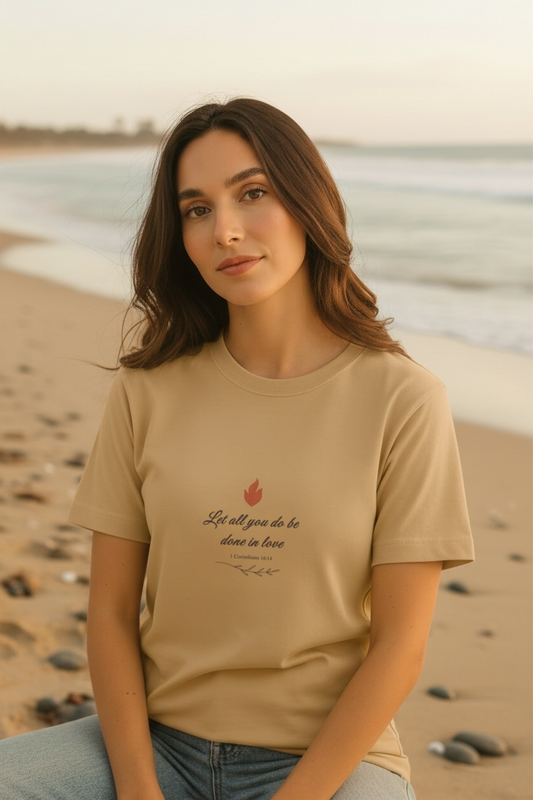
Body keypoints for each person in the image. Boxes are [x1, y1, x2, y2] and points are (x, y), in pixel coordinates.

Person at [0, 98, 474, 800]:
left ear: (308, 204)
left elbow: (400, 649)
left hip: (328, 766)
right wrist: (136, 791)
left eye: (253, 194)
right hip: (153, 746)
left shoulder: (402, 399)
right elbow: (108, 612)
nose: (224, 230)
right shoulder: (148, 392)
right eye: (196, 208)